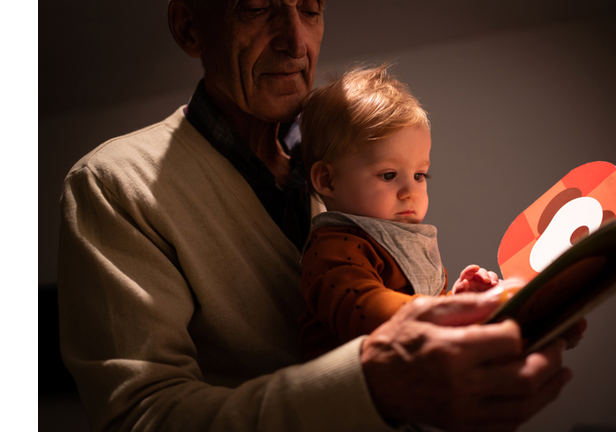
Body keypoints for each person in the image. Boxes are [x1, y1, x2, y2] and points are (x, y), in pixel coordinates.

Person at [57, 1, 585, 431]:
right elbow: (140, 417)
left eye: (309, 9)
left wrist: (487, 325)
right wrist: (370, 384)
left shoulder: (352, 160)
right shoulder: (114, 184)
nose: (294, 40)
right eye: (257, 6)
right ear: (189, 26)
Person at [297, 65, 513, 360]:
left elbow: (418, 308)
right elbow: (360, 308)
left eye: (420, 175)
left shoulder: (399, 241)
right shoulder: (334, 247)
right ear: (328, 180)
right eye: (388, 175)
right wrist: (443, 311)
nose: (409, 191)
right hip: (349, 394)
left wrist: (458, 299)